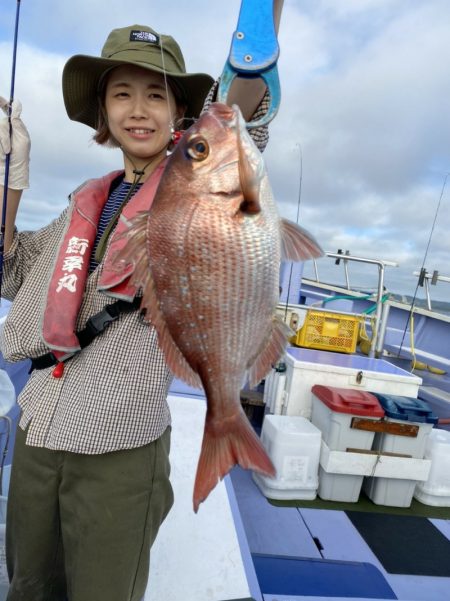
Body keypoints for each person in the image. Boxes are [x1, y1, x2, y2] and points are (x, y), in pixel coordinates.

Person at [0, 5, 283, 601]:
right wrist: (10, 180)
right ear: (102, 112)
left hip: (118, 447)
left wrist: (258, 29)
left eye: (155, 94)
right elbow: (13, 271)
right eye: (121, 93)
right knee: (28, 588)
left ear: (181, 111)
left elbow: (245, 107)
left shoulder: (204, 179)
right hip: (36, 434)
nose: (137, 108)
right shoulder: (86, 199)